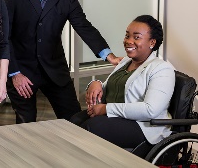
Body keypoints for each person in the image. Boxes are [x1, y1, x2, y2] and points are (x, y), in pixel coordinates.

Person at [3, 0, 122, 124]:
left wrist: (109, 56)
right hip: (23, 71)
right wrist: (14, 73)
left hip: (55, 69)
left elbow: (84, 26)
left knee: (75, 120)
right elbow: (4, 36)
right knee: (26, 126)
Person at [70, 15, 175, 148]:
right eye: (127, 36)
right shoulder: (125, 61)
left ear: (152, 42)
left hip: (143, 125)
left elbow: (150, 110)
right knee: (74, 121)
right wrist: (96, 84)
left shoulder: (161, 69)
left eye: (136, 37)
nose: (129, 41)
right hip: (118, 118)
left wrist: (106, 109)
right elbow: (116, 89)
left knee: (91, 127)